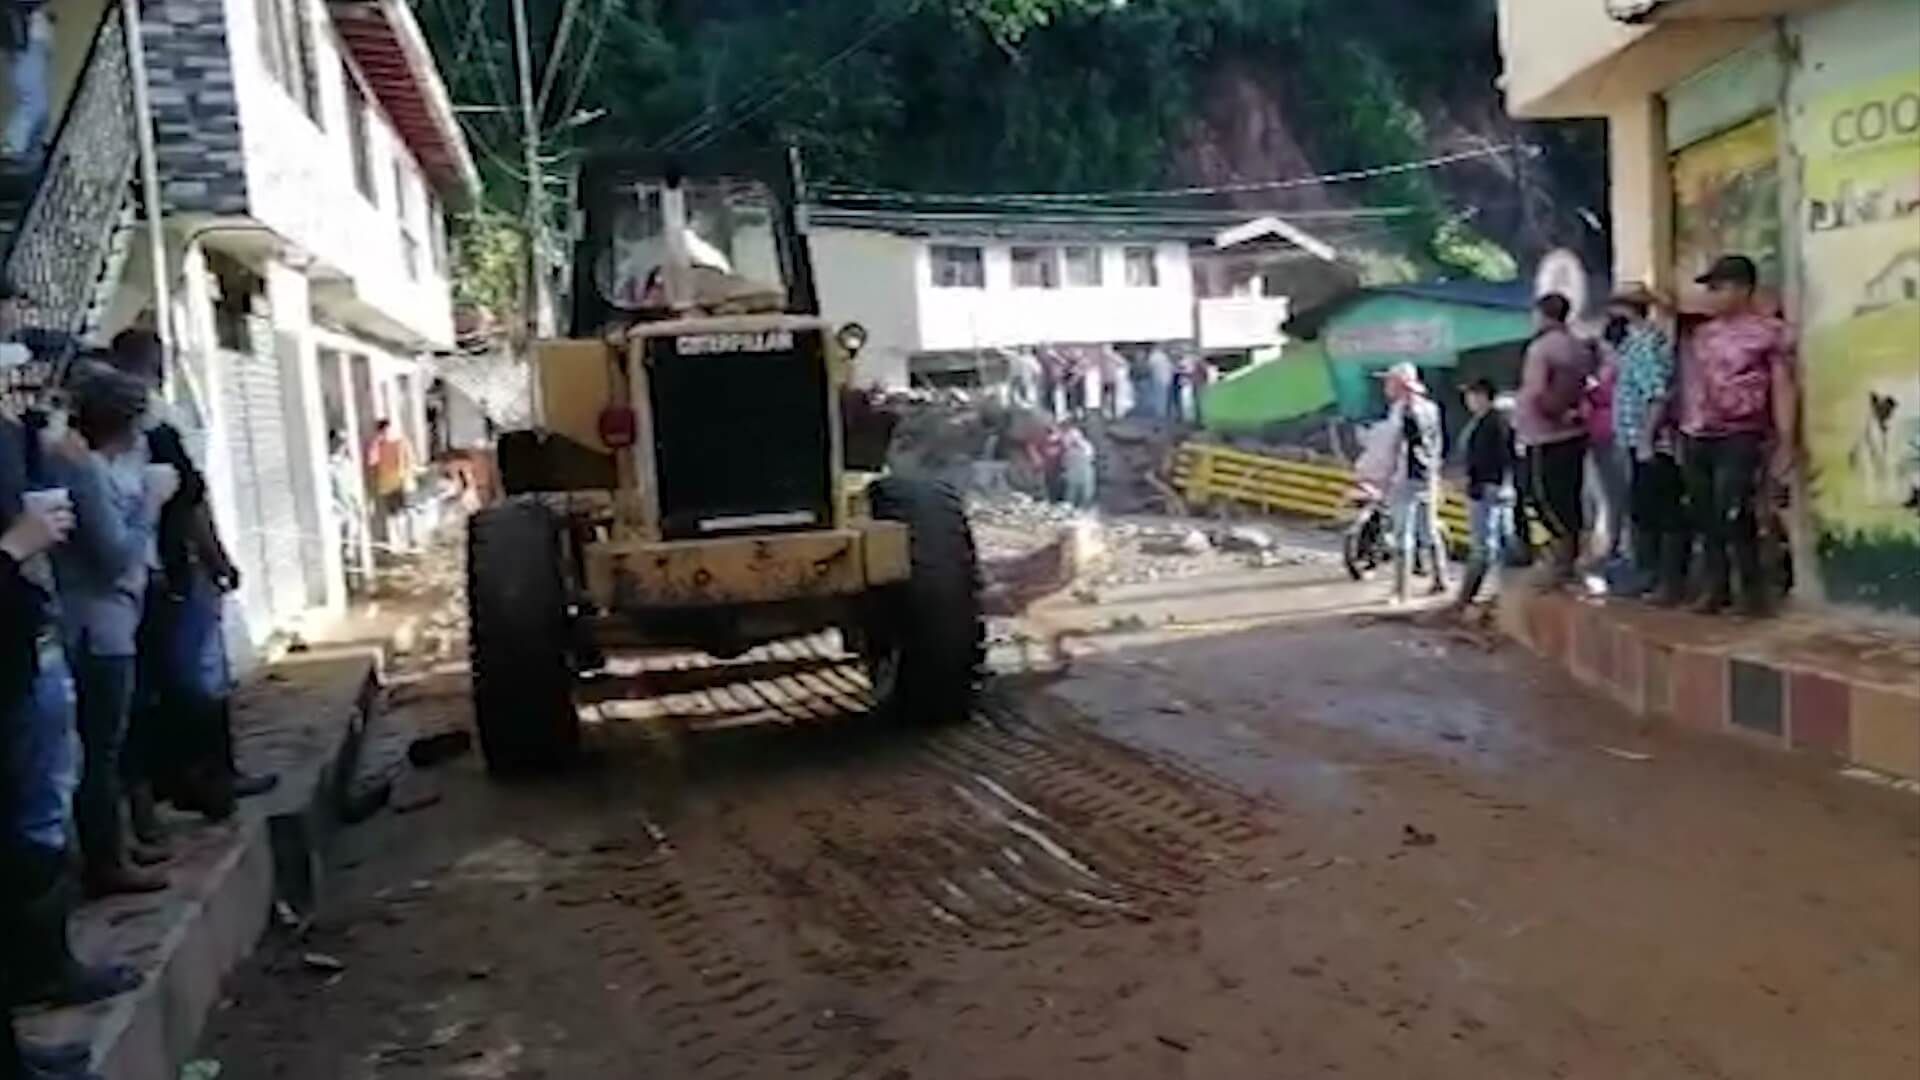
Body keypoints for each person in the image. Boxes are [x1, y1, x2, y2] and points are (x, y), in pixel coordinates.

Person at [3, 410, 141, 1057]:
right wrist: (14, 546)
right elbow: (116, 550)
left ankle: (42, 974)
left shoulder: (24, 441)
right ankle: (42, 971)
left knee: (43, 814)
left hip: (28, 649)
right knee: (33, 823)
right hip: (22, 660)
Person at [107, 330, 271, 845]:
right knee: (195, 683)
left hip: (147, 583)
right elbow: (193, 503)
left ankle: (180, 790)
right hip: (164, 577)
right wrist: (217, 558)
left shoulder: (112, 441)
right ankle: (203, 780)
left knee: (165, 689)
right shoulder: (156, 429)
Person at [46, 363, 175, 896]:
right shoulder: (85, 471)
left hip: (107, 619)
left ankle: (115, 846)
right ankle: (106, 862)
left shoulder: (94, 461)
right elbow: (114, 554)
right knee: (101, 749)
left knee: (108, 746)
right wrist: (151, 503)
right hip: (97, 626)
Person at [1680, 255, 1797, 616]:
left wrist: (1786, 439)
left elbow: (1783, 387)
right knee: (1705, 515)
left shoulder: (1770, 333)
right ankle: (1715, 589)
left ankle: (1752, 591)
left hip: (1741, 434)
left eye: (1719, 287)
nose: (1712, 295)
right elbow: (1692, 383)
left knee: (1735, 511)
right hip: (1698, 433)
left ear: (1743, 288)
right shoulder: (1703, 334)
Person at [1606, 284, 1686, 601]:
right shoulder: (1635, 343)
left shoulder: (1644, 343)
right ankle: (1651, 578)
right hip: (1638, 439)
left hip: (1650, 443)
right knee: (1644, 511)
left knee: (1659, 514)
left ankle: (1663, 582)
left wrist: (1645, 440)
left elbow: (1657, 395)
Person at [1515, 293, 1595, 585]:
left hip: (1545, 434)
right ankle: (1571, 558)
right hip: (1575, 432)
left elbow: (1537, 390)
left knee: (1544, 497)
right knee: (1569, 496)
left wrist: (1550, 413)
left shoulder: (1541, 348)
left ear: (1542, 314)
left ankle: (1562, 561)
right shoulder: (1578, 346)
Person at [1378, 362, 1449, 603]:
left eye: (1389, 381)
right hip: (1427, 475)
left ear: (1399, 385)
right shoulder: (1431, 408)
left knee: (1403, 534)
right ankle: (1441, 579)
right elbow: (1437, 444)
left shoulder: (1403, 412)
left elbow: (1396, 447)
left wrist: (1385, 477)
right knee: (1428, 529)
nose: (1386, 386)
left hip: (1405, 476)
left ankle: (1401, 590)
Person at [1452, 378, 1515, 608]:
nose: (1468, 400)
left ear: (1483, 396)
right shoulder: (1484, 422)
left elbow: (1494, 458)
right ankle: (1498, 590)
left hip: (1488, 487)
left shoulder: (1494, 422)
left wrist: (1476, 480)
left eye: (1472, 395)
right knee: (1499, 539)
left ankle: (1469, 595)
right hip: (1490, 486)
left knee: (1485, 543)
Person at [0, 0, 52, 173]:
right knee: (34, 103)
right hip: (28, 40)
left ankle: (28, 156)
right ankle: (13, 150)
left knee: (38, 107)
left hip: (30, 38)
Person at [365, 418, 414, 553]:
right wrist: (376, 443)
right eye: (383, 432)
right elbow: (372, 461)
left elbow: (408, 461)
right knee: (393, 514)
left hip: (399, 482)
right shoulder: (379, 446)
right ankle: (398, 542)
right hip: (387, 484)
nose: (386, 434)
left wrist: (409, 479)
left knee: (401, 512)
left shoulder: (401, 443)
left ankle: (405, 540)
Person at [1059, 425, 1097, 509]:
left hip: (1085, 473)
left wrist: (1078, 443)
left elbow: (1090, 456)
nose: (1073, 438)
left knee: (1087, 493)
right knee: (1071, 493)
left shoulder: (1086, 446)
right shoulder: (1067, 450)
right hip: (1072, 474)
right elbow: (1064, 463)